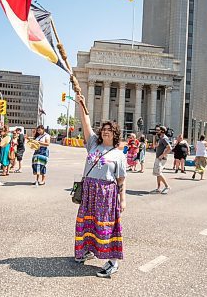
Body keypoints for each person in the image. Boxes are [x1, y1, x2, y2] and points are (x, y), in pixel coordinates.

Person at [74, 94, 126, 278]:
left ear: (115, 134)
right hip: (89, 192)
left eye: (109, 130)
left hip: (106, 194)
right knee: (87, 223)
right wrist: (81, 103)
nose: (105, 132)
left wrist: (122, 200)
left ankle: (113, 262)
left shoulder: (119, 155)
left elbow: (121, 180)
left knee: (105, 227)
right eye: (104, 129)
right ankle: (87, 250)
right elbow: (86, 124)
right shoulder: (93, 145)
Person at [151, 126, 172, 194]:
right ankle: (158, 188)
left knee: (159, 172)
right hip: (158, 157)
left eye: (158, 130)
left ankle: (167, 186)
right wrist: (154, 136)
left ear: (162, 131)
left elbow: (169, 148)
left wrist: (162, 155)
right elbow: (154, 146)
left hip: (161, 158)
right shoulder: (161, 138)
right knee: (157, 173)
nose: (156, 131)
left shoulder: (164, 138)